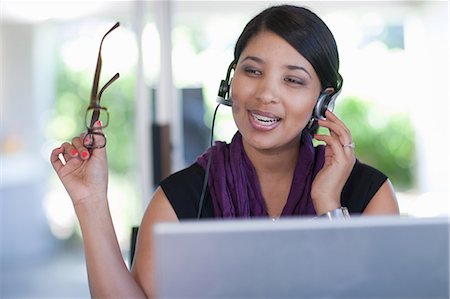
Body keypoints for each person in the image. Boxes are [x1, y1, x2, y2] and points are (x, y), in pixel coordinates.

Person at [50, 4, 399, 298]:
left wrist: (328, 205)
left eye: (292, 80)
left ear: (323, 100)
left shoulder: (369, 196)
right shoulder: (180, 197)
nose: (265, 93)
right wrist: (90, 201)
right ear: (230, 81)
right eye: (252, 71)